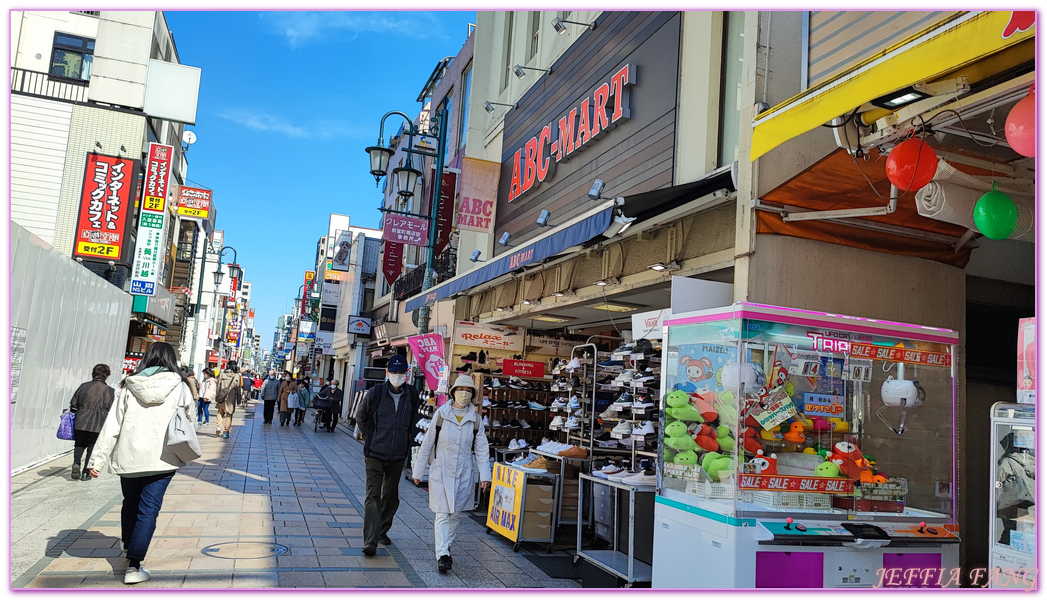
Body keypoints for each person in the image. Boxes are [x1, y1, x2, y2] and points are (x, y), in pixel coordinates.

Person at [87, 342, 195, 584]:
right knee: (149, 509)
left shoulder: (128, 384)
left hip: (129, 457)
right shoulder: (180, 386)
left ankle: (129, 547)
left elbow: (112, 424)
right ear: (172, 359)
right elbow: (190, 421)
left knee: (130, 503)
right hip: (163, 459)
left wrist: (97, 460)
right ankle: (135, 565)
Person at [413, 375, 490, 573]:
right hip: (442, 468)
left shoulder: (476, 420)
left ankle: (446, 547)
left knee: (455, 514)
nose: (464, 393)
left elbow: (481, 449)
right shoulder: (441, 414)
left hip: (464, 469)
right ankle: (443, 554)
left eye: (468, 390)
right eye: (460, 389)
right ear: (453, 391)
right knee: (442, 513)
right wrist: (419, 471)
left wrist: (485, 475)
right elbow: (428, 443)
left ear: (472, 394)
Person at [354, 354, 420, 556]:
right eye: (394, 372)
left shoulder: (412, 394)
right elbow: (361, 416)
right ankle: (371, 541)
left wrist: (408, 445)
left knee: (391, 497)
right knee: (373, 496)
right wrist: (370, 436)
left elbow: (414, 421)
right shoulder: (375, 392)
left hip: (398, 455)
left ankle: (381, 530)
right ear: (387, 372)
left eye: (401, 373)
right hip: (374, 453)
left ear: (407, 374)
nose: (397, 376)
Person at [68, 364, 115, 481]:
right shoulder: (110, 391)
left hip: (81, 420)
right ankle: (86, 472)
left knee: (79, 444)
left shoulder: (83, 387)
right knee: (92, 447)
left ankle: (76, 463)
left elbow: (73, 404)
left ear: (93, 373)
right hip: (98, 423)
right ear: (107, 375)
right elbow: (111, 408)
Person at [215, 362, 242, 439]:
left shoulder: (222, 374)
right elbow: (238, 389)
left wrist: (217, 396)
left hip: (222, 396)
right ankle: (226, 432)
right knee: (229, 415)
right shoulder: (237, 376)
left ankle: (218, 426)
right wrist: (239, 400)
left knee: (220, 411)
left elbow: (218, 386)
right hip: (231, 398)